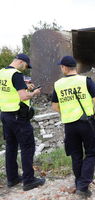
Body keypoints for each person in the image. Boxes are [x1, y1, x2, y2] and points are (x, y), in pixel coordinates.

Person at [51, 56, 95, 198]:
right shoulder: (85, 81)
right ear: (75, 67)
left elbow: (55, 106)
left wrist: (68, 111)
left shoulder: (58, 84)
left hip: (69, 124)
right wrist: (93, 113)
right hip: (86, 122)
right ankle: (83, 186)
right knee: (92, 152)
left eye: (61, 66)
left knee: (75, 154)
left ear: (64, 67)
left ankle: (78, 181)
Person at [0, 53, 45, 191]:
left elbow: (10, 91)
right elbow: (24, 97)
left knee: (11, 147)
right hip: (18, 117)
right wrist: (34, 93)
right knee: (27, 146)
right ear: (20, 62)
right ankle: (29, 180)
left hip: (5, 114)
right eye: (25, 66)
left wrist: (27, 88)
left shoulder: (2, 73)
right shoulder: (16, 75)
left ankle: (12, 179)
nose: (25, 69)